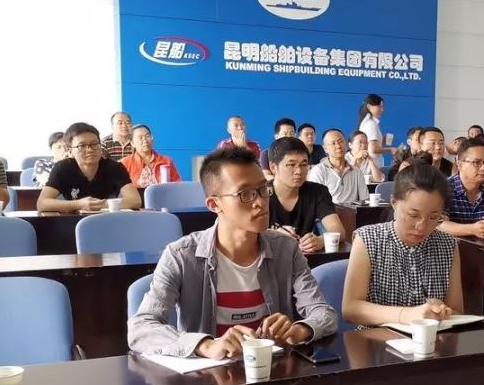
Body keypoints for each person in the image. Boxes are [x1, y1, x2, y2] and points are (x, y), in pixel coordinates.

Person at [127, 147, 337, 358]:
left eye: (263, 189)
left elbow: (323, 313)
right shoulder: (181, 255)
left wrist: (298, 330)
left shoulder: (286, 248)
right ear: (214, 204)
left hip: (272, 369)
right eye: (245, 194)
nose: (260, 202)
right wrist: (205, 345)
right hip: (209, 373)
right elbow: (141, 327)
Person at [342, 163, 463, 326]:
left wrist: (442, 311)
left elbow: (457, 311)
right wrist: (408, 315)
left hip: (431, 338)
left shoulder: (448, 245)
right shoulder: (368, 239)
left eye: (434, 217)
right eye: (413, 215)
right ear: (394, 202)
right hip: (375, 338)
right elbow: (351, 309)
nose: (421, 226)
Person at [38, 122, 142, 212]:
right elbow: (42, 203)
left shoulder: (114, 167)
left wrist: (100, 204)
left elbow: (135, 200)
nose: (89, 150)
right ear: (70, 151)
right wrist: (79, 204)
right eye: (82, 146)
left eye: (94, 144)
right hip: (73, 221)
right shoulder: (62, 168)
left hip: (107, 220)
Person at [267, 138, 344, 254]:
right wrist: (271, 235)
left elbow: (338, 230)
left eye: (304, 165)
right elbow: (243, 234)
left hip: (304, 258)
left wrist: (320, 240)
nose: (299, 171)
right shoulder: (259, 194)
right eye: (291, 165)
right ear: (273, 167)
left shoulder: (317, 192)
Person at [308, 129, 368, 205]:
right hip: (327, 211)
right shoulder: (318, 171)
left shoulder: (356, 171)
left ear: (346, 145)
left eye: (340, 141)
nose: (338, 146)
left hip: (351, 211)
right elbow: (315, 202)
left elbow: (365, 200)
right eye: (333, 143)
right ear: (325, 148)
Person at [120, 125, 182, 189]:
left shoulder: (166, 161)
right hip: (136, 195)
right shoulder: (125, 163)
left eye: (147, 136)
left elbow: (177, 185)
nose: (145, 140)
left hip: (163, 194)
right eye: (140, 138)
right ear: (132, 143)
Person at [357, 94, 395, 168]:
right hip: (372, 166)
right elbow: (373, 149)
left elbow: (372, 145)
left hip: (371, 165)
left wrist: (382, 140)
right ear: (369, 106)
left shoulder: (368, 122)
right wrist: (391, 149)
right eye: (380, 106)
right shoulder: (371, 124)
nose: (382, 109)